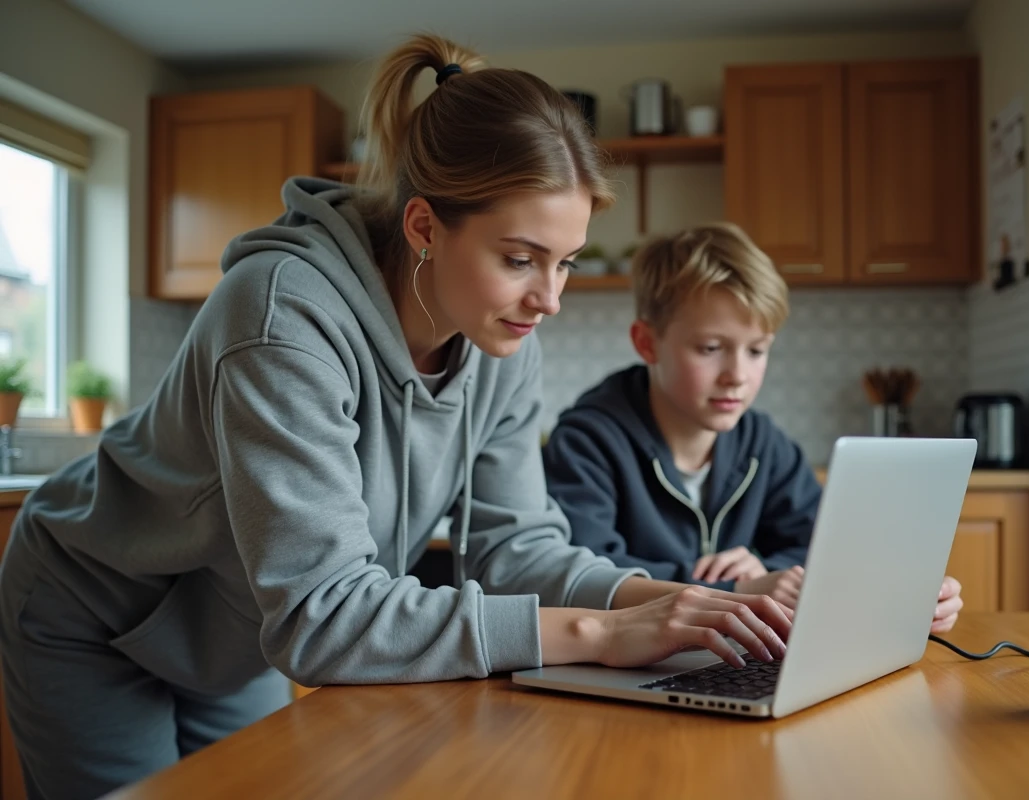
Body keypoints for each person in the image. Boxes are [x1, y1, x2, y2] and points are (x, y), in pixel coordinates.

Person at [0, 37, 791, 799]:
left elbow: (518, 547)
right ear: (423, 227)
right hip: (97, 618)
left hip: (230, 639)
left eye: (566, 261)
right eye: (520, 259)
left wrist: (663, 602)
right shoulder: (283, 319)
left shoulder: (501, 342)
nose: (549, 298)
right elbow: (324, 619)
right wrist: (601, 635)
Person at [542, 222, 964, 622]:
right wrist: (733, 589)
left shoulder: (764, 443)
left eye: (757, 351)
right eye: (710, 348)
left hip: (730, 656)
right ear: (647, 343)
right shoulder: (587, 441)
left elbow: (823, 547)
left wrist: (769, 573)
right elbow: (583, 575)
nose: (738, 375)